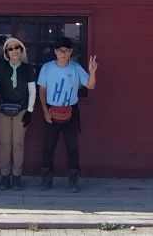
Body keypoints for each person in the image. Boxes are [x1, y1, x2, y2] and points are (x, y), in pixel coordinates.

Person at [38, 36, 98, 193]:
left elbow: (90, 85)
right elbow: (42, 90)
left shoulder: (76, 68)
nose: (62, 53)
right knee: (48, 146)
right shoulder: (47, 68)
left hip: (70, 111)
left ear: (70, 52)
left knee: (72, 147)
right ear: (55, 52)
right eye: (59, 50)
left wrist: (92, 72)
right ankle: (46, 180)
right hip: (52, 110)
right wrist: (45, 111)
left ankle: (73, 180)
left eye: (66, 51)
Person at [0, 35, 36, 191]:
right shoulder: (1, 64)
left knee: (18, 144)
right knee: (5, 144)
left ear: (21, 50)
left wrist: (30, 110)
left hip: (21, 109)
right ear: (6, 52)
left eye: (17, 47)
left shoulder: (27, 68)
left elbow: (32, 91)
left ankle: (17, 176)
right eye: (10, 49)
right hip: (3, 109)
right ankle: (5, 176)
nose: (14, 51)